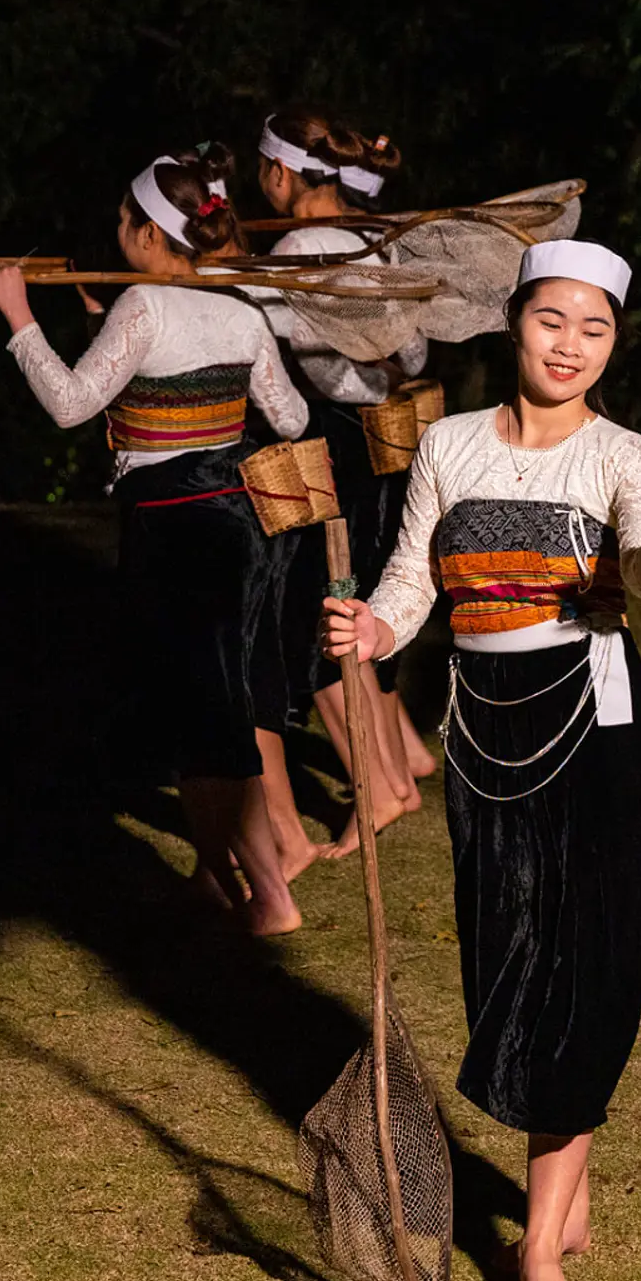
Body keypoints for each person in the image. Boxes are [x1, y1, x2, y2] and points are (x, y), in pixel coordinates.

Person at [322, 240, 641, 1281]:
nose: (569, 345)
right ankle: (567, 1157)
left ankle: (536, 1247)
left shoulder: (624, 457)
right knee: (507, 955)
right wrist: (373, 625)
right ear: (515, 324)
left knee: (585, 963)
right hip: (484, 739)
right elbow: (414, 579)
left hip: (596, 731)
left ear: (612, 345)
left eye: (593, 329)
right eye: (553, 321)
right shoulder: (450, 446)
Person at [0, 144, 314, 935]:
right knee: (200, 706)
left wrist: (18, 314)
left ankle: (270, 896)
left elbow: (69, 405)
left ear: (154, 235)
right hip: (237, 523)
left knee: (206, 715)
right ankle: (222, 882)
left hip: (177, 528)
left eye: (126, 220)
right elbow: (292, 419)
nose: (118, 229)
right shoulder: (241, 312)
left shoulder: (146, 306)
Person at [253, 106, 431, 853]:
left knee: (317, 613)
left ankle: (379, 787)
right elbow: (414, 354)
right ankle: (394, 773)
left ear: (283, 172)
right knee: (348, 598)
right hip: (376, 439)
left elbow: (259, 334)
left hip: (325, 437)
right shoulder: (373, 239)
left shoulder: (298, 246)